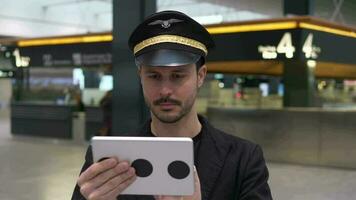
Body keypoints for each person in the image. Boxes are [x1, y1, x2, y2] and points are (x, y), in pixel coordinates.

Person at [71, 10, 272, 200]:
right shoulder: (107, 160)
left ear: (200, 76)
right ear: (140, 76)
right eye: (154, 76)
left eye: (177, 76)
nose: (165, 90)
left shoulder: (242, 159)